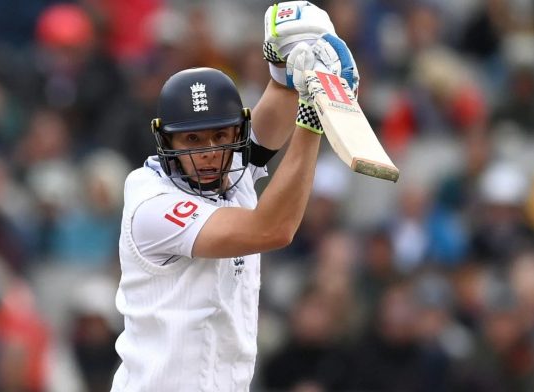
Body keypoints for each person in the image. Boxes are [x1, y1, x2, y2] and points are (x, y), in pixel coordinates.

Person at [111, 2, 359, 390]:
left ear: (234, 134)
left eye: (219, 136)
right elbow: (273, 229)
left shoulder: (229, 169)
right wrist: (313, 119)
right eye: (192, 139)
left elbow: (275, 105)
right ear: (166, 141)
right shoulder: (151, 205)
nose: (208, 151)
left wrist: (286, 63)